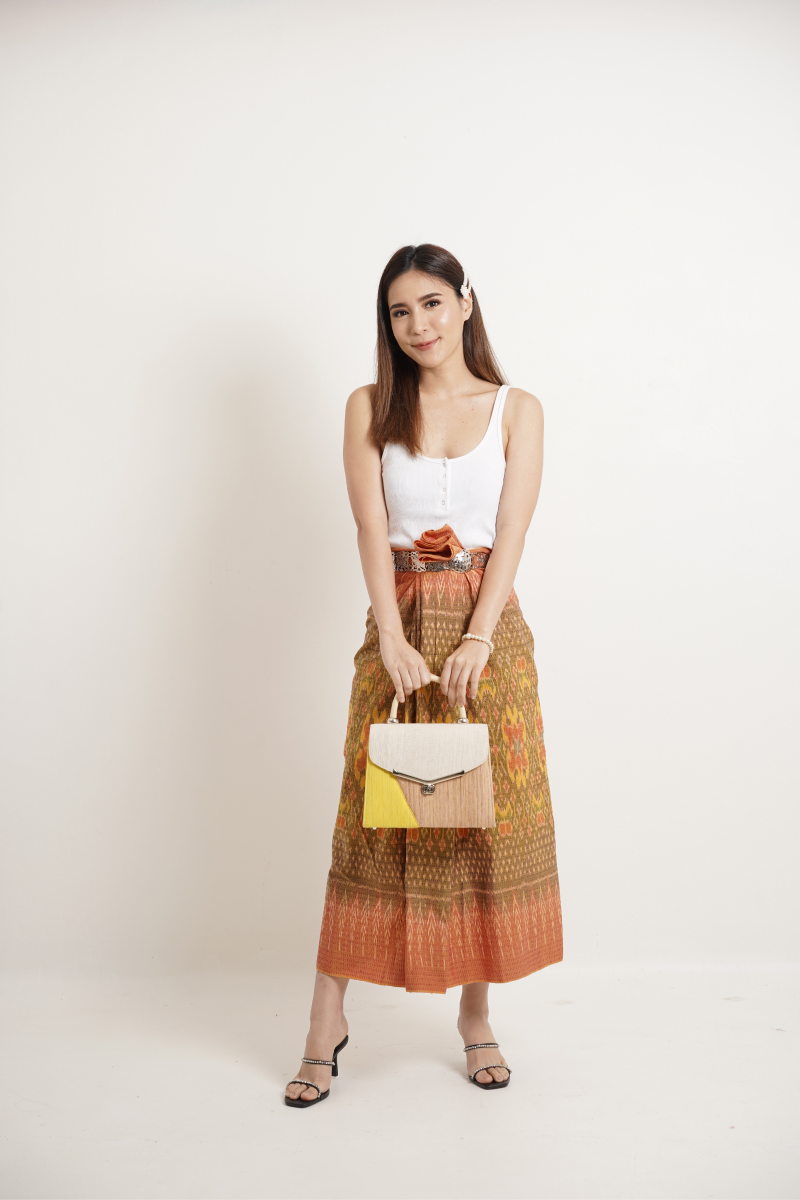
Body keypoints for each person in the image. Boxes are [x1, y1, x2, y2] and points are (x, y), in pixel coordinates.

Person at [285, 243, 564, 1108]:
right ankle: (324, 1022)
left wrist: (478, 637)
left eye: (432, 303)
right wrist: (391, 637)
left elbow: (511, 532)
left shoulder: (518, 408)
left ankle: (476, 1017)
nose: (418, 325)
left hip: (488, 629)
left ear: (466, 303)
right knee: (373, 817)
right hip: (399, 624)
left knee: (480, 820)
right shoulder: (371, 405)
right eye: (400, 312)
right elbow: (372, 530)